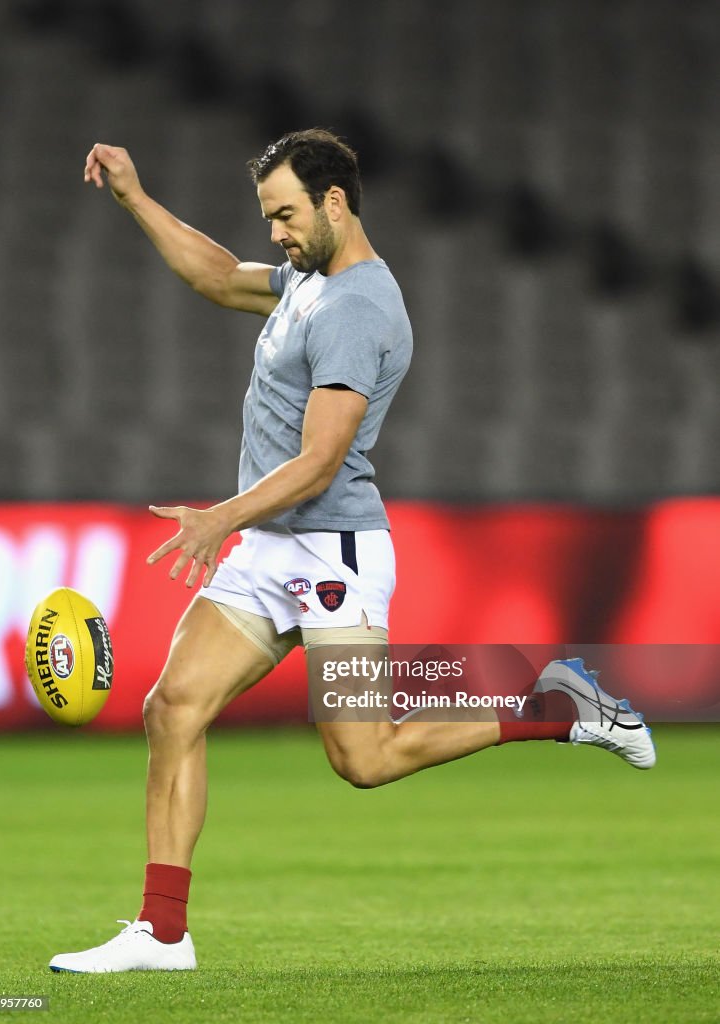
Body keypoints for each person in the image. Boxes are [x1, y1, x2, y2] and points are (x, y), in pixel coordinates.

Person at [49, 129, 655, 974]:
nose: (275, 234)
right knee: (172, 707)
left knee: (363, 760)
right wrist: (135, 199)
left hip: (332, 556)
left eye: (286, 215)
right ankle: (162, 932)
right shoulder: (307, 280)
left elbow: (321, 460)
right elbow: (218, 276)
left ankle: (556, 706)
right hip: (269, 545)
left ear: (336, 202)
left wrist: (218, 518)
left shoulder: (356, 309)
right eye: (269, 217)